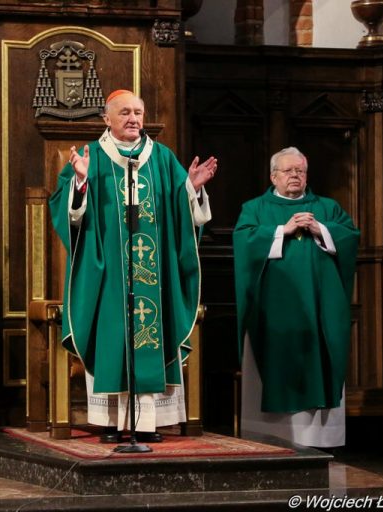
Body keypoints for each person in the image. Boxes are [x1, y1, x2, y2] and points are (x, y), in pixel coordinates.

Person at [49, 90, 217, 443]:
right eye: (124, 112)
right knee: (112, 335)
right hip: (109, 272)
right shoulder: (91, 156)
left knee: (150, 330)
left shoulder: (162, 157)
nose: (133, 119)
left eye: (138, 112)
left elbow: (181, 214)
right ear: (106, 118)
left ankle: (147, 423)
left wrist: (191, 189)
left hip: (154, 273)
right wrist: (80, 182)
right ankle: (110, 421)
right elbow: (66, 212)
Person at [233, 146, 359, 448]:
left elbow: (351, 237)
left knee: (319, 360)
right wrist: (281, 230)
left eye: (300, 171)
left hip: (318, 309)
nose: (295, 176)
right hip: (271, 310)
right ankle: (267, 437)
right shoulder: (255, 208)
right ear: (273, 176)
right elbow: (244, 242)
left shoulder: (327, 208)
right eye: (288, 171)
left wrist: (320, 228)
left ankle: (317, 439)